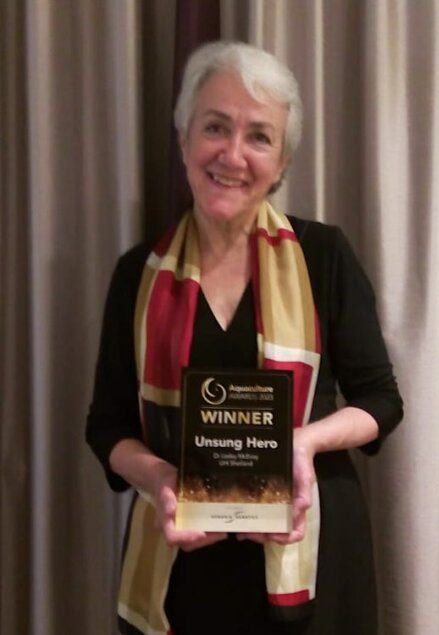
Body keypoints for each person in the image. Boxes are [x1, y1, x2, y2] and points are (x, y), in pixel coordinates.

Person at [86, 41, 403, 635]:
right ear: (184, 141)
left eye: (259, 136)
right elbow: (106, 426)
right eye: (215, 127)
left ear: (281, 163)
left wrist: (303, 445)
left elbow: (381, 401)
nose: (232, 154)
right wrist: (159, 479)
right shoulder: (139, 273)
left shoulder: (323, 256)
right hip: (182, 562)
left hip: (308, 550)